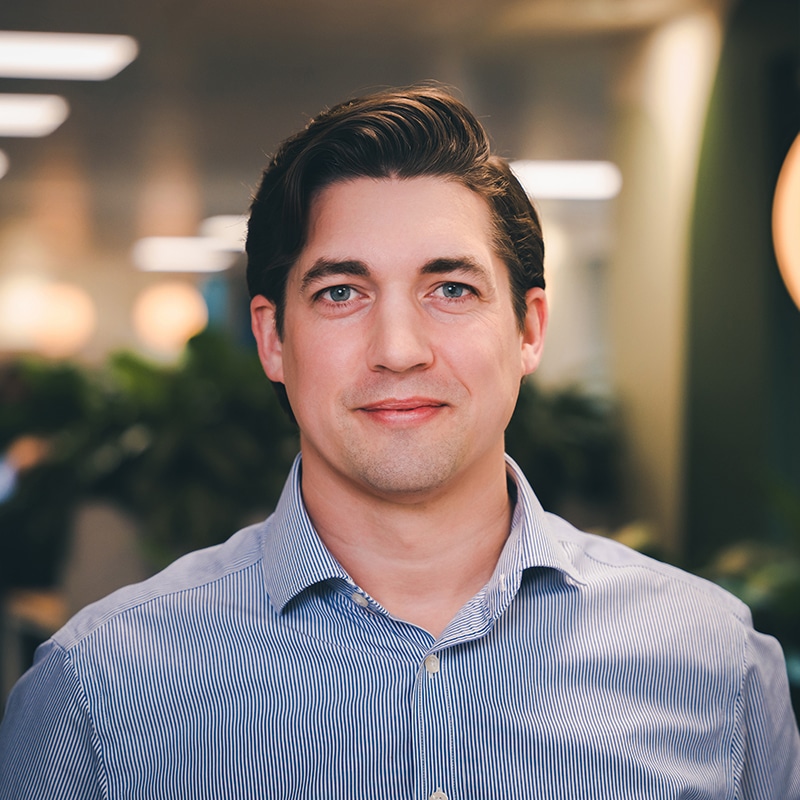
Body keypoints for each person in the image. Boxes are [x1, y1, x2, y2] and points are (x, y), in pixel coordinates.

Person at [1, 86, 798, 799]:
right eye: (342, 292)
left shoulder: (717, 666)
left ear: (529, 329)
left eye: (450, 289)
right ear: (273, 339)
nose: (400, 347)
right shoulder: (98, 690)